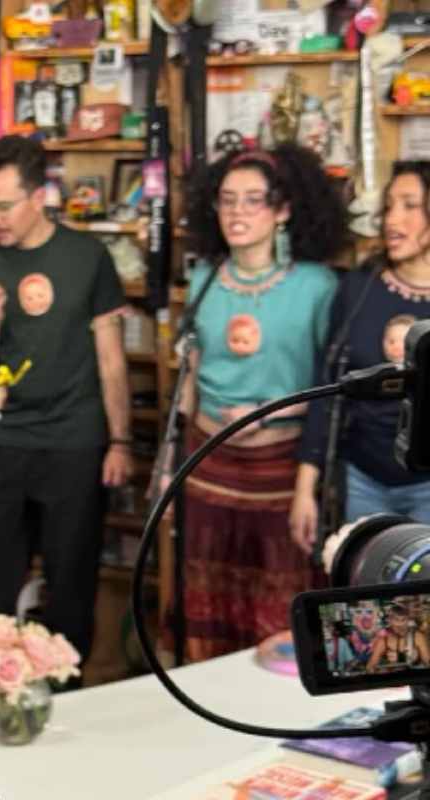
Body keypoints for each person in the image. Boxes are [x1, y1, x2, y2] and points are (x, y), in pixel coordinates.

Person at [0, 135, 132, 663]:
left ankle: (67, 695)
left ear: (40, 197)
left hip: (75, 441)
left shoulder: (87, 256)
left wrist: (120, 441)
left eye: (4, 205)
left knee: (71, 581)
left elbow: (111, 360)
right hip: (3, 438)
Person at [177, 143, 345, 661]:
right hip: (209, 462)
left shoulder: (318, 286)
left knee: (282, 604)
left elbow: (329, 387)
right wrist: (170, 463)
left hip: (281, 471)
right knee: (209, 600)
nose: (237, 212)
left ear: (283, 210)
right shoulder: (203, 278)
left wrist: (277, 420)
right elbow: (191, 371)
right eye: (227, 200)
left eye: (254, 200)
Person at [292, 163, 430, 548]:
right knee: (366, 599)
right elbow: (326, 386)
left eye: (409, 205)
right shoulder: (359, 287)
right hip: (362, 480)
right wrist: (305, 488)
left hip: (427, 488)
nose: (392, 218)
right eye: (388, 206)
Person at [366, 603, 430, 672]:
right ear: (390, 621)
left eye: (403, 620)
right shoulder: (383, 640)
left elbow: (428, 661)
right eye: (396, 620)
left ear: (408, 620)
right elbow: (370, 667)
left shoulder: (417, 637)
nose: (400, 624)